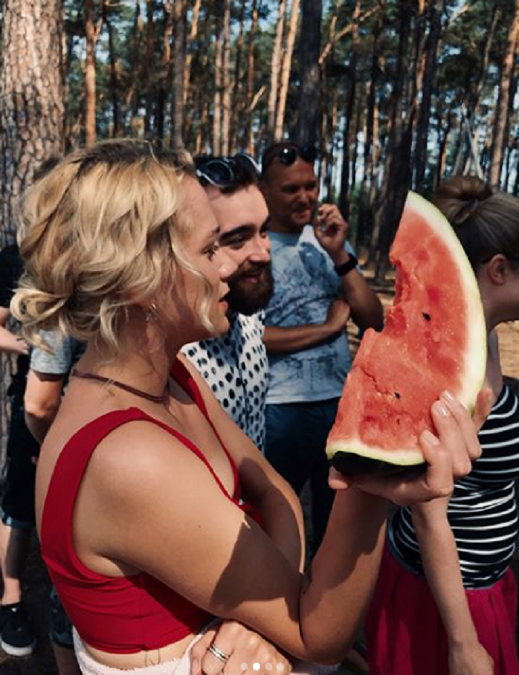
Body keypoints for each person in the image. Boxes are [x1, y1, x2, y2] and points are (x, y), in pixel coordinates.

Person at [11, 140, 481, 675]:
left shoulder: (170, 378)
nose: (227, 269)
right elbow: (318, 634)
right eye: (210, 250)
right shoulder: (129, 456)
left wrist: (254, 613)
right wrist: (369, 491)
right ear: (142, 281)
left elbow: (275, 489)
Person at [365, 175, 519, 675]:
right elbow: (431, 513)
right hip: (444, 601)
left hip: (487, 581)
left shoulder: (484, 338)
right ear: (499, 270)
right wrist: (462, 642)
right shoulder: (434, 365)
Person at [260, 142, 384, 549]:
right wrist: (328, 329)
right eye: (290, 189)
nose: (305, 197)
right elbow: (253, 337)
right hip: (278, 409)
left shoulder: (331, 243)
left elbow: (373, 320)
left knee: (336, 528)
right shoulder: (254, 250)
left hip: (339, 404)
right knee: (270, 521)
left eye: (311, 186)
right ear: (264, 189)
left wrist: (340, 256)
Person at [182, 154, 272, 451]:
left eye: (264, 231)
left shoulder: (249, 311)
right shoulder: (173, 345)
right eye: (237, 239)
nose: (263, 253)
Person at [0, 243, 38, 656]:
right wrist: (33, 349)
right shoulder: (19, 256)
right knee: (20, 504)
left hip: (90, 393)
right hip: (32, 395)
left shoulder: (106, 245)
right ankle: (10, 598)